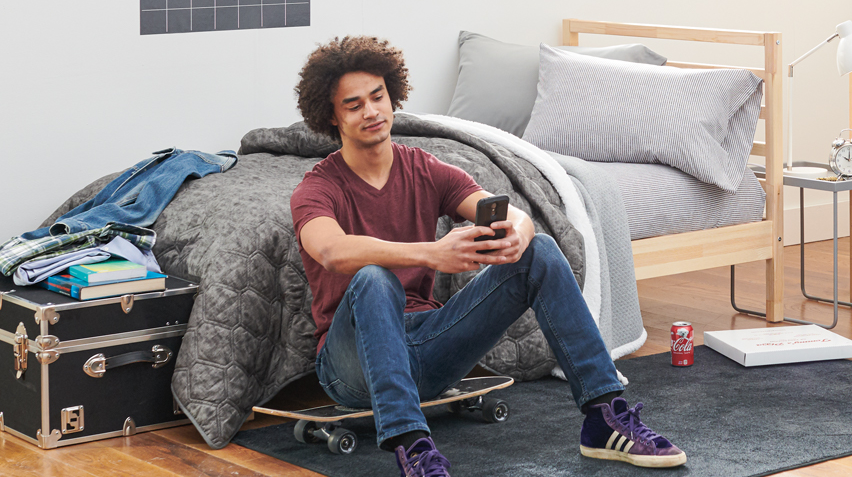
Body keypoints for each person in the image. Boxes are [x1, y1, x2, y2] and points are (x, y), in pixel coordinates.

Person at [290, 36, 686, 476]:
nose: (371, 112)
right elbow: (329, 249)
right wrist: (432, 255)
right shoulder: (317, 187)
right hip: (351, 367)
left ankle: (604, 418)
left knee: (540, 248)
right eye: (354, 104)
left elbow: (511, 214)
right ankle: (413, 449)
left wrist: (517, 234)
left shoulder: (424, 167)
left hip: (429, 349)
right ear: (332, 117)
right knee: (373, 278)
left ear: (392, 95)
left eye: (378, 97)